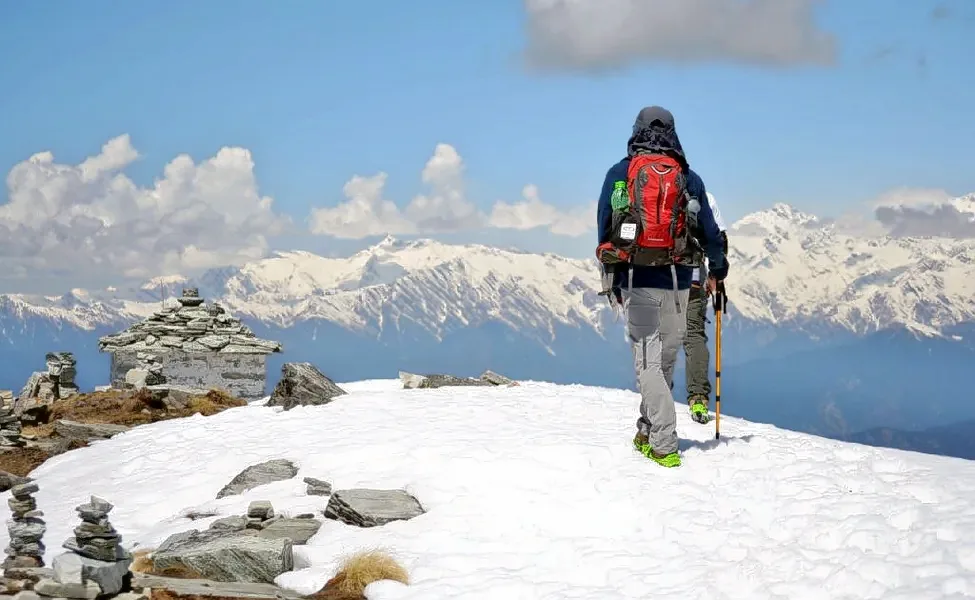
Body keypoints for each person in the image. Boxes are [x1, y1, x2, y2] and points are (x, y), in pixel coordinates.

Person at [596, 106, 728, 468]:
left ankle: (664, 443)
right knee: (665, 359)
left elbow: (605, 226)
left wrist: (614, 276)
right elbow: (712, 235)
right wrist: (719, 269)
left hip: (638, 280)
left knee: (647, 364)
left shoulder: (620, 173)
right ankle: (647, 430)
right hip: (681, 284)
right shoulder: (687, 177)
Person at [684, 191, 728, 425]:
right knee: (693, 335)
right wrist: (715, 275)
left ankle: (655, 399)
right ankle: (698, 398)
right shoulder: (704, 195)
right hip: (692, 277)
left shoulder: (646, 186)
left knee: (656, 339)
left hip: (654, 279)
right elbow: (718, 239)